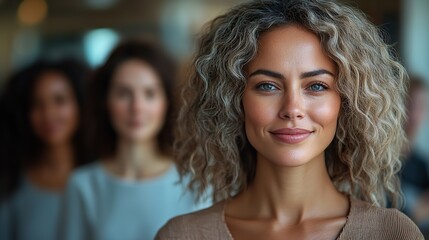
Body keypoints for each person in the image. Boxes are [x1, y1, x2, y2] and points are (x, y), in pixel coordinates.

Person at [156, 0, 424, 239]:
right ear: (233, 100)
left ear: (348, 102)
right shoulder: (183, 235)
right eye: (268, 86)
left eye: (316, 86)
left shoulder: (391, 233)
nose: (292, 108)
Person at [58, 40, 208, 240]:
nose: (137, 107)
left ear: (168, 102)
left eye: (150, 93)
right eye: (123, 93)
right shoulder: (83, 186)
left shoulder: (197, 185)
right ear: (105, 101)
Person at [0, 59, 89, 240]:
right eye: (36, 104)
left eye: (60, 100)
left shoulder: (102, 176)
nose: (48, 114)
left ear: (80, 104)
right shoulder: (11, 182)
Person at [401, 76, 429, 236]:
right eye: (409, 105)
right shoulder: (381, 162)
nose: (414, 115)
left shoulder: (421, 164)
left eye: (421, 107)